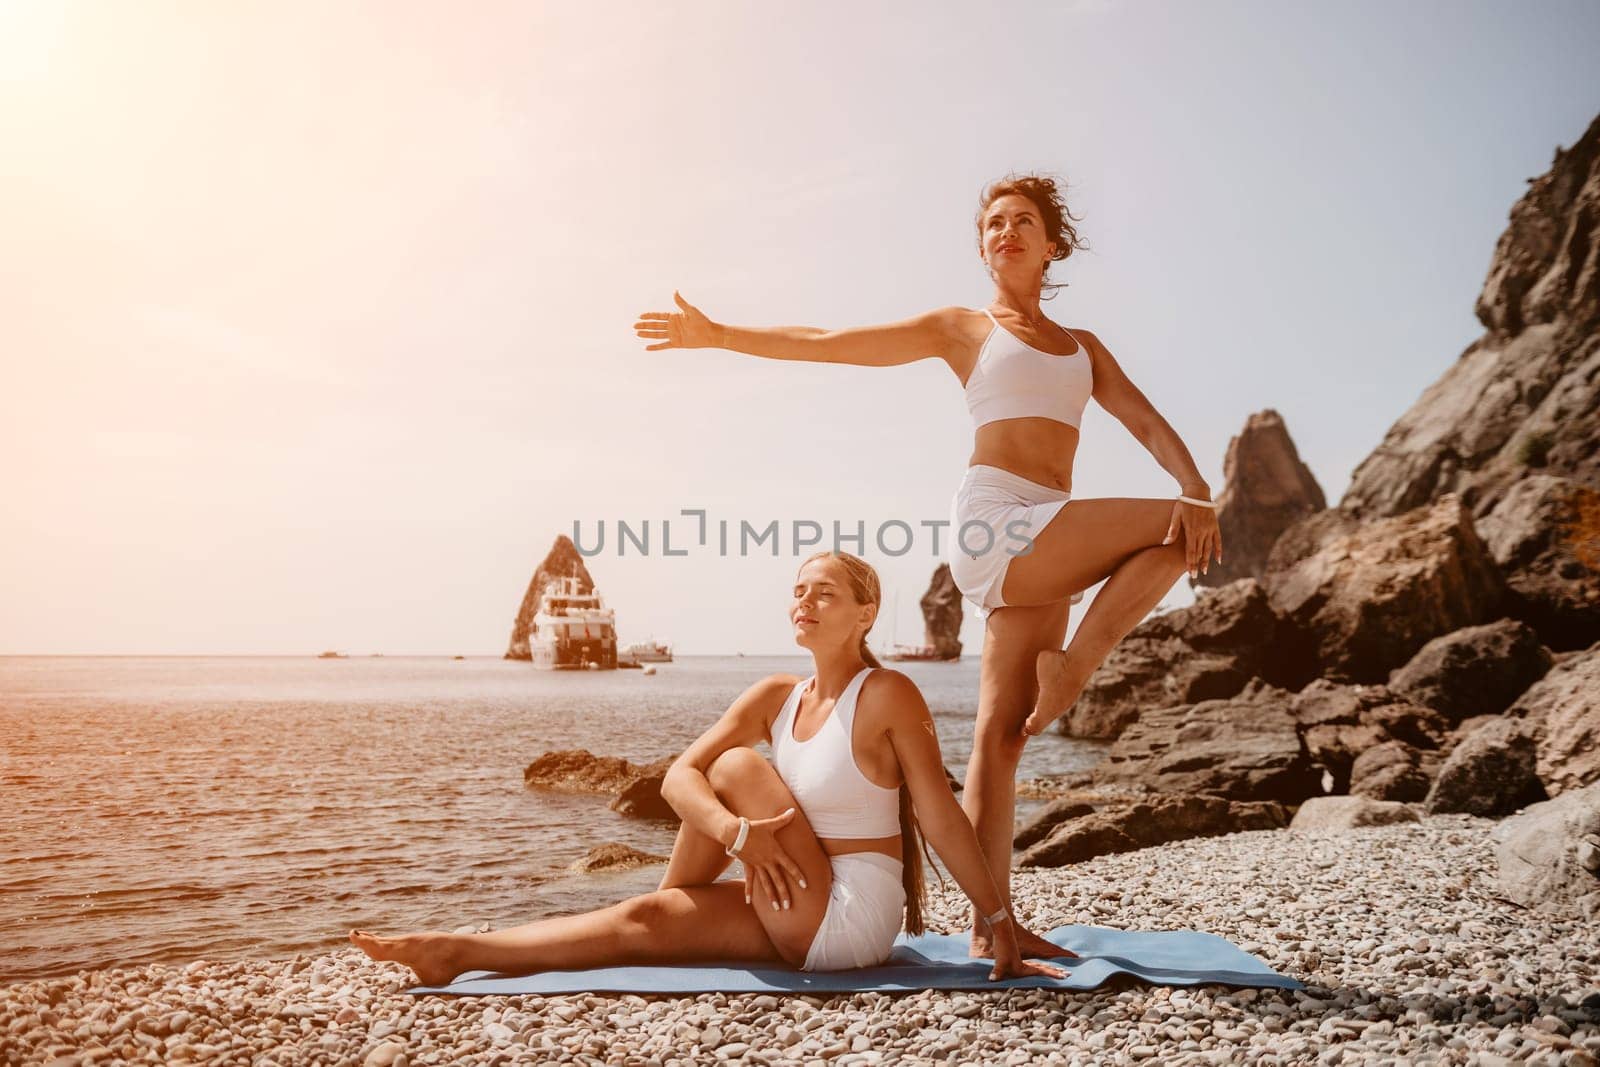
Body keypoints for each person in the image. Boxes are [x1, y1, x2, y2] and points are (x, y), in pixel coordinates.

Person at [633, 173, 1223, 958]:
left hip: (1050, 534)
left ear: (1054, 245)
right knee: (1177, 528)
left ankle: (993, 925)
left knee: (1000, 739)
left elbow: (1144, 419)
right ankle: (1076, 669)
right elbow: (832, 344)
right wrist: (720, 334)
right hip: (998, 524)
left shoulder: (1085, 349)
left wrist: (1196, 485)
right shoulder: (963, 328)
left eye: (1022, 222)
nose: (1004, 233)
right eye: (992, 225)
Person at [349, 551, 1070, 985]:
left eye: (825, 591)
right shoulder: (774, 696)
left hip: (851, 912)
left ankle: (677, 910)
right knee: (644, 913)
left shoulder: (886, 694)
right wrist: (738, 837)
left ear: (866, 612)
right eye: (798, 589)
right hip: (792, 884)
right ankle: (454, 949)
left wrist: (998, 922)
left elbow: (938, 815)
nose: (805, 601)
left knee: (734, 765)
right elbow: (672, 780)